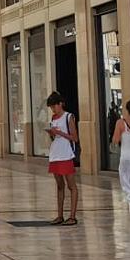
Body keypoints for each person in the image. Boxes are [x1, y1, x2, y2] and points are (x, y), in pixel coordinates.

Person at [45, 92, 80, 226]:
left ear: (60, 104)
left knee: (71, 185)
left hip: (66, 154)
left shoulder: (68, 117)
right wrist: (52, 134)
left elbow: (75, 138)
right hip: (55, 154)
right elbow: (54, 138)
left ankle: (72, 216)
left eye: (54, 106)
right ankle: (60, 215)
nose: (53, 110)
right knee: (59, 185)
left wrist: (59, 132)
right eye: (51, 108)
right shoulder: (53, 118)